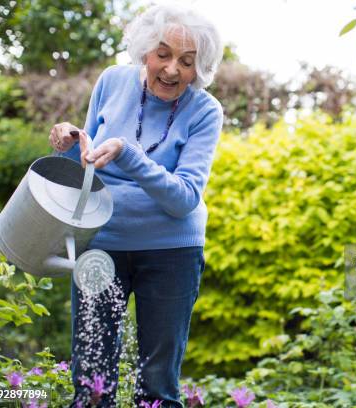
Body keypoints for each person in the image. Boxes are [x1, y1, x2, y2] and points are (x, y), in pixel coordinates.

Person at [48, 4, 224, 407]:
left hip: (171, 253)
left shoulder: (205, 111)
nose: (173, 69)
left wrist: (128, 154)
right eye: (163, 54)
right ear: (145, 50)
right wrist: (68, 140)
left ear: (201, 68)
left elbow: (184, 198)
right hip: (101, 243)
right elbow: (87, 161)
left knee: (157, 385)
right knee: (92, 381)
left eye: (187, 61)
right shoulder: (112, 82)